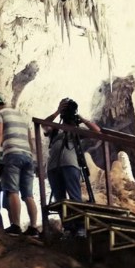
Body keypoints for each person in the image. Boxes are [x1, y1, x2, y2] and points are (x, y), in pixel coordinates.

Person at [42, 100, 101, 235]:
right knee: (60, 198)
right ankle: (68, 227)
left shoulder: (76, 130)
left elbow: (97, 131)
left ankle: (80, 227)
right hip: (53, 166)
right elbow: (44, 125)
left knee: (75, 196)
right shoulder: (55, 128)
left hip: (70, 164)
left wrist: (80, 119)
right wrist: (58, 111)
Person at [0, 96, 39, 236]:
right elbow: (29, 139)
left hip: (12, 154)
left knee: (12, 190)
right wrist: (32, 155)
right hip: (27, 156)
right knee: (28, 194)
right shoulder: (21, 115)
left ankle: (15, 225)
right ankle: (33, 228)